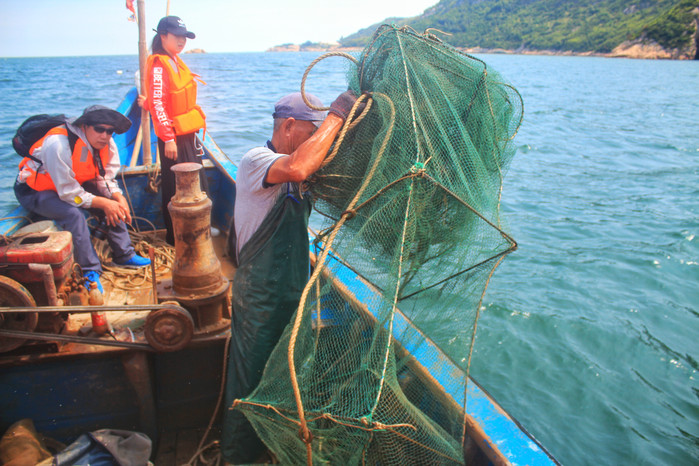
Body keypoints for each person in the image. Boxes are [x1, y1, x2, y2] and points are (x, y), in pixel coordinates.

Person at [221, 90, 360, 464]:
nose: (319, 144)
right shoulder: (258, 160)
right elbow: (299, 168)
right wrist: (335, 117)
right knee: (250, 380)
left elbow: (321, 176)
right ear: (288, 126)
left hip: (291, 290)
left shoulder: (300, 166)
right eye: (313, 133)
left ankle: (272, 448)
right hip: (260, 296)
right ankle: (238, 458)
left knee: (284, 375)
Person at [14, 105, 151, 293]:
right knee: (73, 214)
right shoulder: (58, 144)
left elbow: (106, 179)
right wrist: (104, 203)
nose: (105, 135)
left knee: (112, 200)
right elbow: (69, 195)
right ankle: (89, 271)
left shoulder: (106, 143)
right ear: (85, 126)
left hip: (72, 184)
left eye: (109, 131)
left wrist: (117, 197)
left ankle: (124, 254)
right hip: (37, 190)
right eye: (99, 129)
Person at [140, 15, 208, 245]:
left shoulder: (174, 60)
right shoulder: (159, 64)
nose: (181, 41)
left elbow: (160, 99)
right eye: (177, 36)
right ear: (163, 36)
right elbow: (159, 103)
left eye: (184, 37)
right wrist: (168, 138)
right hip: (174, 137)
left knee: (197, 183)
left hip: (187, 133)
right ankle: (176, 237)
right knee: (176, 187)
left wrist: (145, 102)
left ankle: (196, 230)